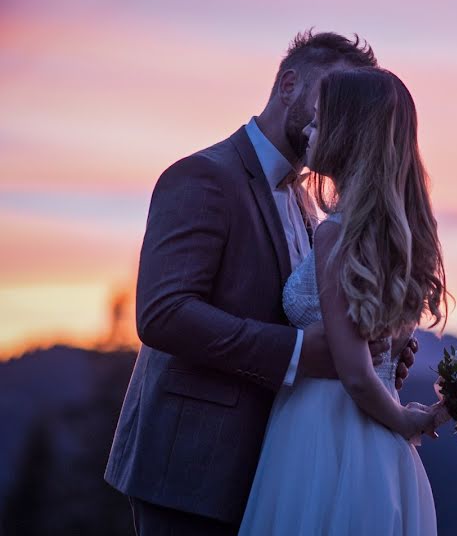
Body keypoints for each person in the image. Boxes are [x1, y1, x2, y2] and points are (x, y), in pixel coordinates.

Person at [105, 31, 422, 535]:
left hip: (281, 466)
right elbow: (163, 313)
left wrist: (369, 348)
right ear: (289, 85)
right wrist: (299, 352)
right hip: (193, 469)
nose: (333, 112)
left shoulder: (313, 204)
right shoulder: (203, 176)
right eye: (330, 91)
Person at [238, 66, 450, 535]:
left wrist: (404, 421)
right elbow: (386, 352)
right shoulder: (404, 238)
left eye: (320, 120)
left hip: (324, 432)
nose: (309, 131)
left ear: (349, 134)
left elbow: (355, 371)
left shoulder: (336, 233)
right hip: (378, 446)